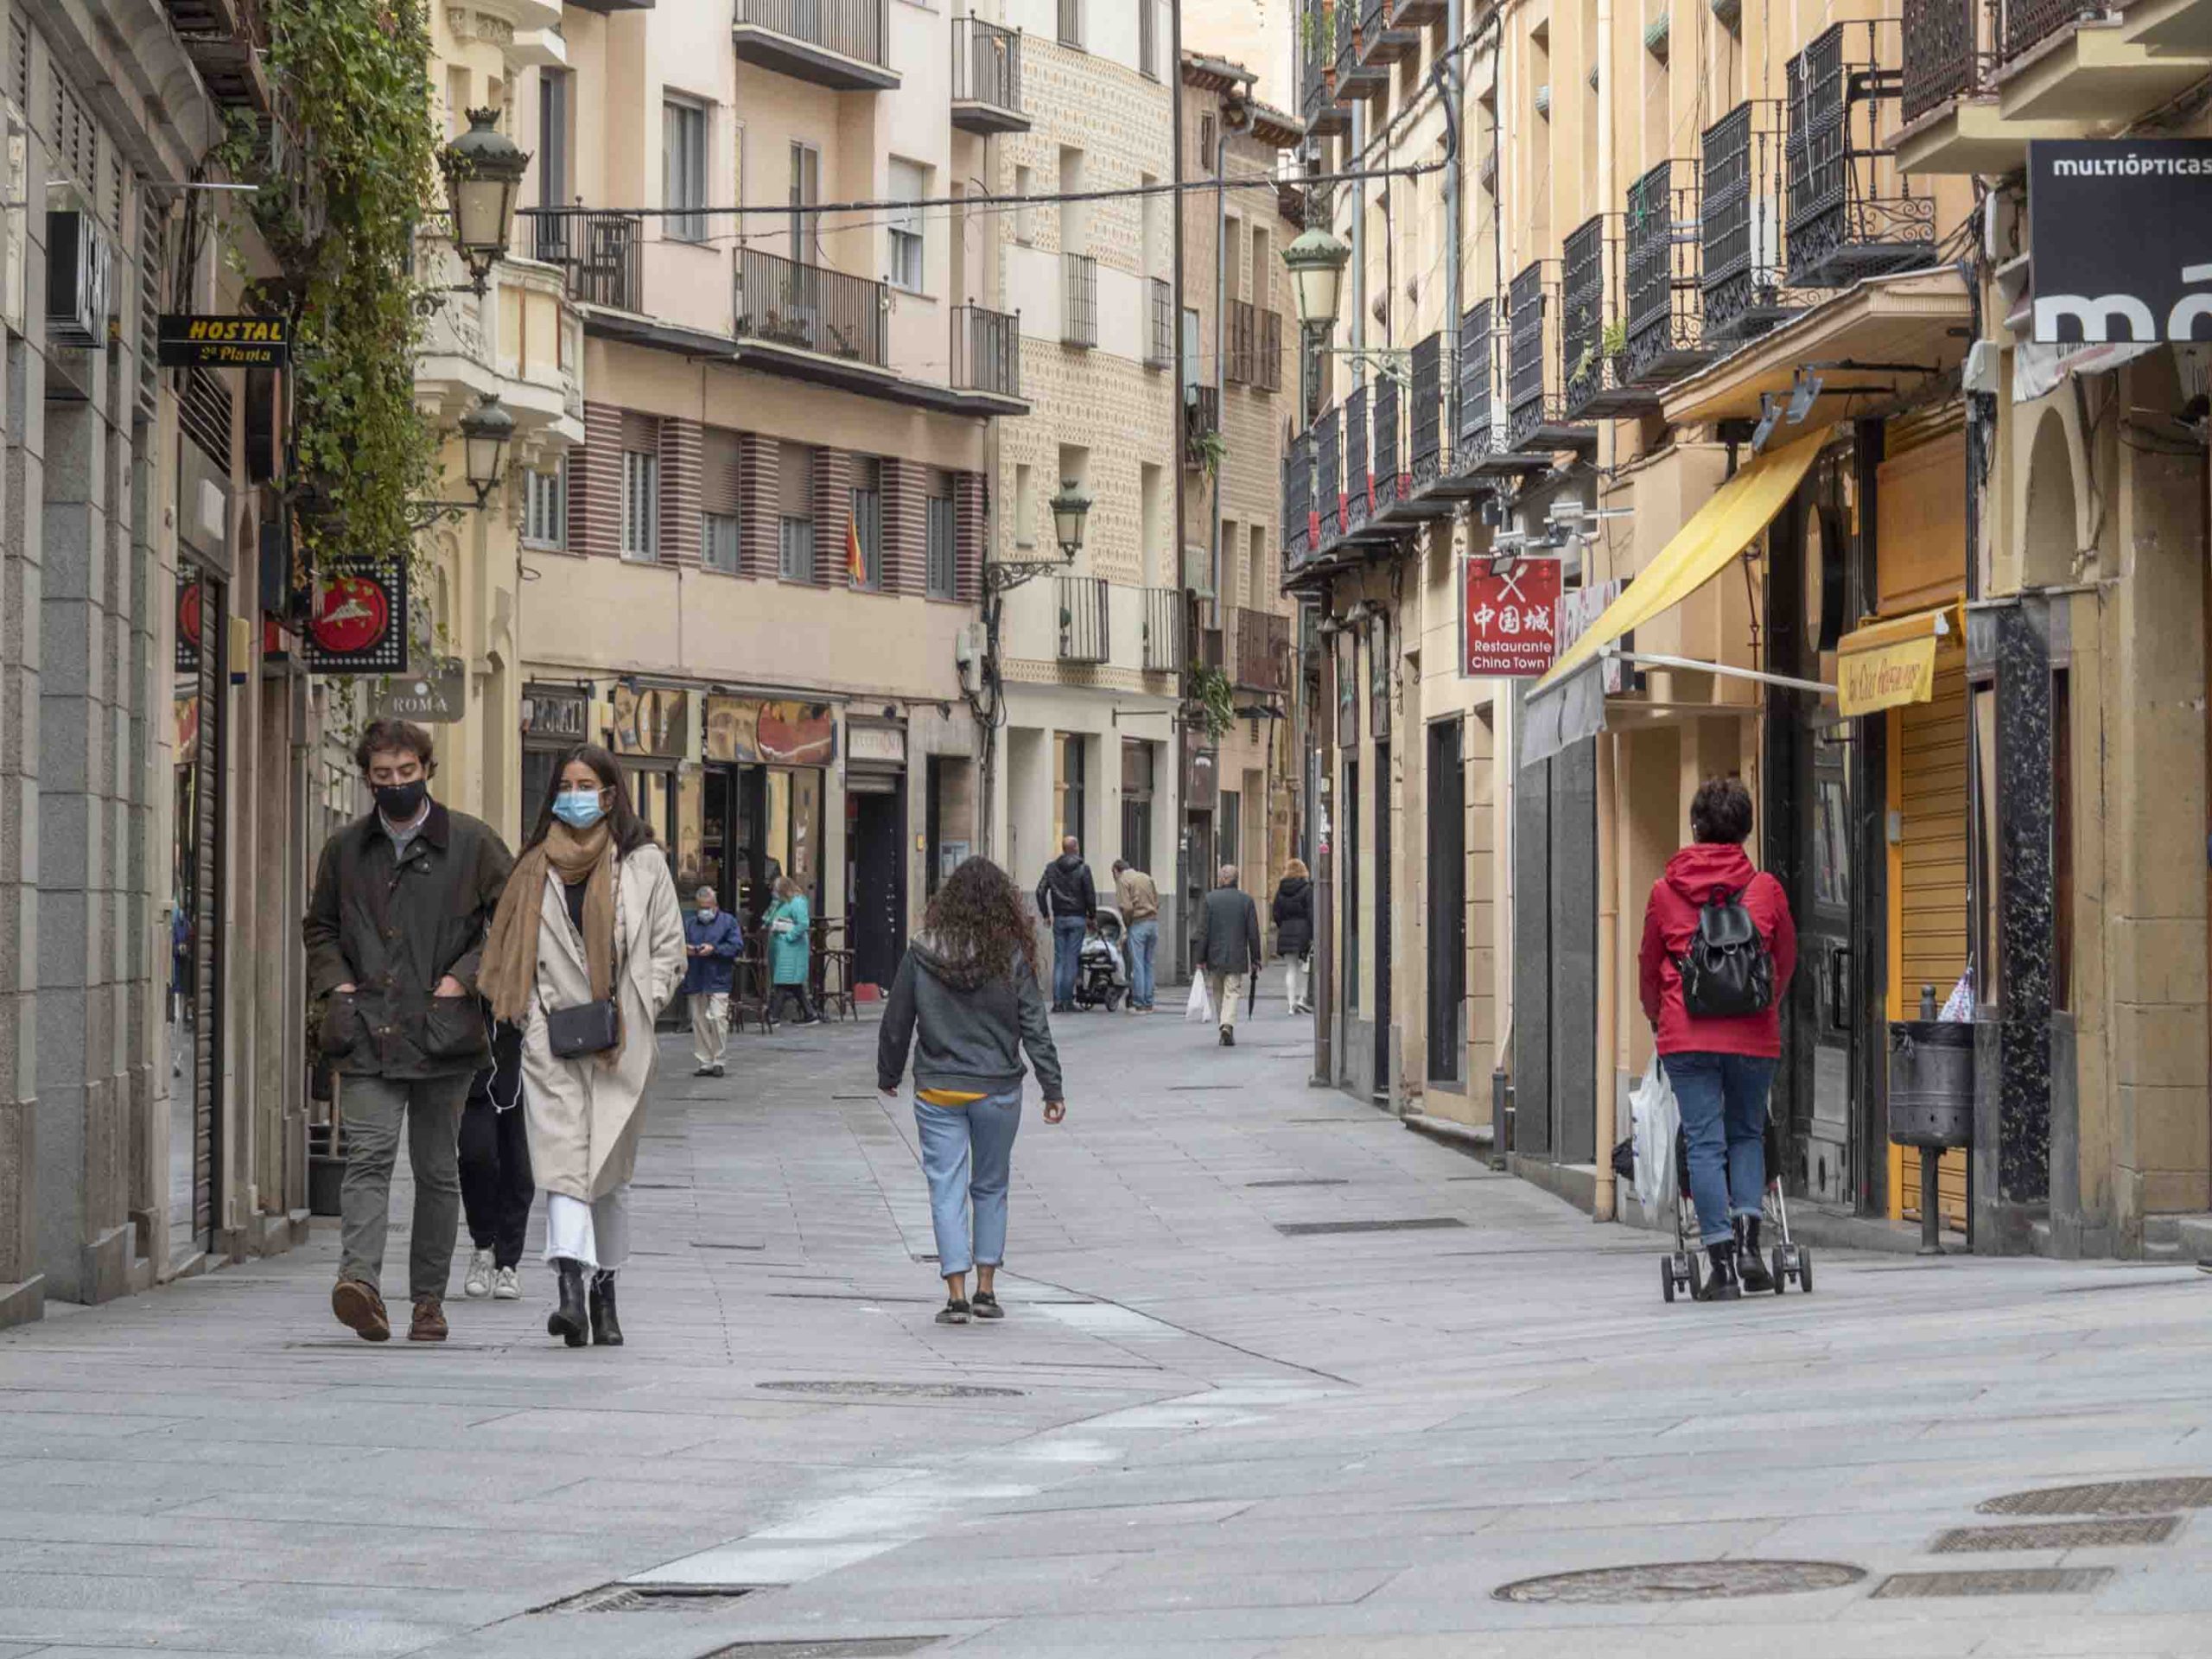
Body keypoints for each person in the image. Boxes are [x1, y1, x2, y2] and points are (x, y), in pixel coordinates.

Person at [304, 719, 513, 1344]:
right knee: (367, 1156)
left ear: (427, 769)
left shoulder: (473, 844)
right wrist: (336, 984)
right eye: (382, 776)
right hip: (367, 1026)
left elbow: (509, 923)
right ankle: (359, 1284)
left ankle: (428, 1300)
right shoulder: (345, 849)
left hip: (444, 1032)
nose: (395, 785)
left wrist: (466, 978)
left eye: (406, 772)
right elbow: (319, 927)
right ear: (367, 778)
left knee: (435, 1170)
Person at [480, 746, 685, 1348]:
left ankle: (606, 1291)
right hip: (552, 1034)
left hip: (623, 1037)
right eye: (565, 783)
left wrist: (637, 1004)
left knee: (609, 1176)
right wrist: (536, 1023)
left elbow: (668, 948)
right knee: (564, 1165)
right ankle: (570, 1287)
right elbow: (512, 948)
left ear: (610, 794)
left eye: (586, 783)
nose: (574, 793)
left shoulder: (644, 864)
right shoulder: (533, 867)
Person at [877, 857, 1066, 1326]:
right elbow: (1034, 1027)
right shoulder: (1012, 955)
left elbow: (897, 1018)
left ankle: (955, 1293)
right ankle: (987, 1288)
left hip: (939, 1087)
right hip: (997, 1088)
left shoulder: (921, 951)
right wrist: (1051, 1086)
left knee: (945, 1186)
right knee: (991, 1185)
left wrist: (889, 1072)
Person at [1638, 776, 1798, 1301]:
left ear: (1696, 827)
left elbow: (1647, 968)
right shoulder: (1766, 889)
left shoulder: (1665, 892)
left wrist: (1658, 1018)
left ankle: (1722, 1265)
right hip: (1754, 1036)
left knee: (1704, 1144)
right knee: (1747, 1134)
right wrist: (1766, 1007)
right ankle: (1753, 1244)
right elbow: (1786, 959)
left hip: (1687, 1037)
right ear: (1746, 830)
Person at [460, 1015, 532, 1301]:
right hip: (474, 1061)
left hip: (526, 1062)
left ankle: (508, 1264)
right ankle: (482, 1245)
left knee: (519, 1167)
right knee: (475, 1155)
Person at [1194, 863, 1263, 1048]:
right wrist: (1256, 957)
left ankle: (1223, 1024)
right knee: (1232, 992)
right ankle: (1227, 1025)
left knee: (1218, 991)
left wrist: (1200, 959)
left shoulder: (1210, 899)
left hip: (1214, 955)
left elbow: (1203, 931)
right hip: (1236, 955)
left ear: (1221, 879)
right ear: (1236, 879)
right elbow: (1253, 932)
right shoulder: (1246, 901)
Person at [683, 886, 744, 1076]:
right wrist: (686, 949)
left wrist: (714, 949)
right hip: (696, 976)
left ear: (715, 906)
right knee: (698, 1020)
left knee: (718, 1018)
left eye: (708, 906)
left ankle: (719, 1059)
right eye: (701, 906)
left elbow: (736, 946)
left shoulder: (728, 922)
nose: (704, 910)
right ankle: (705, 1061)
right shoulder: (690, 923)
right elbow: (678, 943)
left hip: (718, 976)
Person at [1035, 836, 1096, 1013]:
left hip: (1060, 918)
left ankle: (1057, 1002)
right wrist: (1092, 916)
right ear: (1076, 848)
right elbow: (1090, 894)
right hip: (1077, 918)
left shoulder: (1051, 868)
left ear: (1063, 849)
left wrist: (1046, 914)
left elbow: (1040, 891)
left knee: (1060, 959)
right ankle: (1068, 1000)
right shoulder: (1083, 869)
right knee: (1071, 960)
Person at [763, 875, 820, 1026]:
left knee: (783, 980)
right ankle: (810, 1014)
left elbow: (803, 924)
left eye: (776, 890)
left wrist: (789, 937)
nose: (773, 893)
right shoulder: (781, 903)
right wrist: (773, 906)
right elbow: (767, 919)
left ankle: (773, 1016)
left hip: (792, 948)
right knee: (793, 983)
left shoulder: (797, 902)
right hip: (781, 948)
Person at [1111, 858, 1161, 1014]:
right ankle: (1149, 1002)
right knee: (1148, 964)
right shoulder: (1146, 877)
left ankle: (1139, 1002)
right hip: (1153, 923)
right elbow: (1157, 900)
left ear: (1116, 871)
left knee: (1138, 965)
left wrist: (1127, 923)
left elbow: (1126, 907)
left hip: (1138, 923)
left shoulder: (1122, 880)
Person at [1273, 858, 1316, 1015]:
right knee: (1306, 966)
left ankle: (1291, 1005)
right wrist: (1313, 932)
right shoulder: (1307, 889)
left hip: (1286, 930)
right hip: (1304, 931)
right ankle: (1302, 998)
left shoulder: (1280, 890)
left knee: (1290, 968)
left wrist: (1282, 926)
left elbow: (1276, 913)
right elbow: (1311, 913)